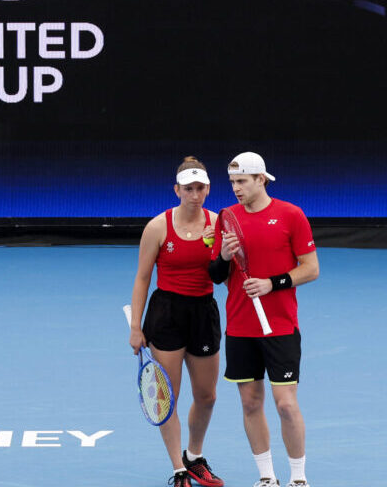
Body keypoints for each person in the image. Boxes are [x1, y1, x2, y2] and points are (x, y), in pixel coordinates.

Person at [207, 152, 320, 487]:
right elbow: (215, 274)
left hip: (280, 327)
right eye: (232, 182)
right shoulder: (227, 217)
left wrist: (273, 283)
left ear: (261, 179)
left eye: (242, 181)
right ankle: (266, 477)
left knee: (286, 405)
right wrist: (224, 256)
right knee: (250, 403)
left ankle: (298, 479)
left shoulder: (290, 215)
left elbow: (311, 268)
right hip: (240, 327)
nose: (236, 189)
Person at [129, 156, 226, 487]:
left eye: (200, 188)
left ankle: (194, 457)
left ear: (208, 189)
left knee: (207, 396)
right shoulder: (158, 227)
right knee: (166, 398)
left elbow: (224, 276)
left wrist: (222, 252)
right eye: (188, 189)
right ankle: (178, 469)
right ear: (177, 190)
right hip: (167, 314)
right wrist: (136, 328)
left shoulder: (218, 225)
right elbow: (142, 278)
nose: (194, 195)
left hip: (203, 312)